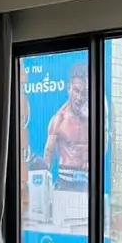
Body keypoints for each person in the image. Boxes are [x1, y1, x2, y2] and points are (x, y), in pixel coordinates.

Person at [43, 63, 89, 191]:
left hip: (86, 183)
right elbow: (48, 154)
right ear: (69, 88)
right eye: (76, 90)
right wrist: (45, 186)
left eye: (84, 93)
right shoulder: (59, 120)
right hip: (65, 183)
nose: (79, 97)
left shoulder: (93, 120)